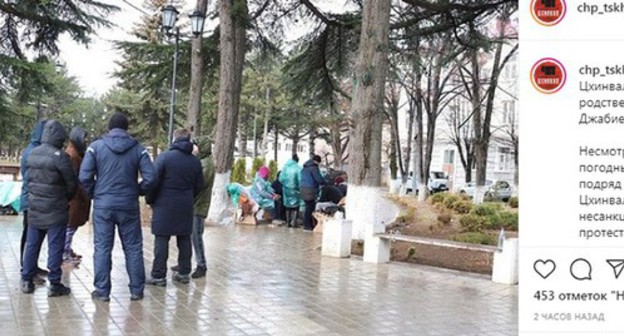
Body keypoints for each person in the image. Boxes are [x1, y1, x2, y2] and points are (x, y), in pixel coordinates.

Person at [79, 113, 155, 302]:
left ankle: (102, 291)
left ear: (109, 128)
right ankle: (137, 290)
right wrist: (138, 190)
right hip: (128, 205)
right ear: (127, 128)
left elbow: (84, 177)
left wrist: (95, 193)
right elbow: (151, 177)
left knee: (103, 248)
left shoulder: (95, 148)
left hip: (103, 206)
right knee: (133, 247)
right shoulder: (138, 149)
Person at [21, 120, 77, 296]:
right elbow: (71, 184)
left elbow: (27, 180)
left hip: (35, 208)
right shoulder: (60, 157)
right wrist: (64, 198)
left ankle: (27, 281)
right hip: (56, 210)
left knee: (32, 245)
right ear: (60, 137)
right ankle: (54, 284)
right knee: (55, 247)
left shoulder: (31, 154)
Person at [146, 129, 204, 286]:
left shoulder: (164, 157)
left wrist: (150, 200)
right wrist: (189, 197)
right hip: (185, 205)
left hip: (164, 205)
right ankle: (184, 273)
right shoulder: (195, 161)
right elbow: (200, 185)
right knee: (184, 238)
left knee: (161, 239)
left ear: (174, 139)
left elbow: (153, 181)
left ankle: (158, 276)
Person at [18, 120, 48, 284]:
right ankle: (27, 269)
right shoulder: (34, 152)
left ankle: (32, 267)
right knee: (30, 237)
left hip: (31, 198)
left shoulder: (32, 149)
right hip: (31, 200)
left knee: (32, 236)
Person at [64, 127, 91, 265]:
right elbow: (75, 179)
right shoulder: (73, 156)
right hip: (75, 198)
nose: (86, 141)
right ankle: (65, 252)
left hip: (78, 197)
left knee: (71, 226)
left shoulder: (77, 154)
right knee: (70, 226)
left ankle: (67, 249)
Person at [300, 155, 326, 231]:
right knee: (310, 208)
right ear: (317, 161)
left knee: (307, 206)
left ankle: (306, 224)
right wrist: (326, 183)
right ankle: (308, 225)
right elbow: (319, 179)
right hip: (310, 190)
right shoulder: (314, 168)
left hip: (303, 189)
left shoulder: (304, 168)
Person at [279, 154, 302, 228]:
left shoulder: (285, 167)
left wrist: (285, 184)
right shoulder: (298, 168)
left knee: (287, 206)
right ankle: (294, 222)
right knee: (295, 206)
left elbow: (280, 178)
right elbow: (300, 180)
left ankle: (288, 222)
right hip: (295, 189)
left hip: (286, 189)